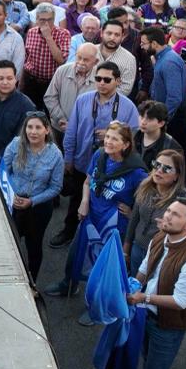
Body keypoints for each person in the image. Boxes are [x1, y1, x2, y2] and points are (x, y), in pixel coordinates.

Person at [45, 122, 147, 298]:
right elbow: (87, 181)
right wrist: (84, 201)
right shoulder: (100, 155)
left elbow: (144, 202)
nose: (108, 141)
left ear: (126, 144)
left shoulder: (137, 172)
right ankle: (68, 284)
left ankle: (95, 303)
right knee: (76, 254)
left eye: (114, 139)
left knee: (103, 265)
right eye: (107, 137)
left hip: (113, 226)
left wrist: (132, 214)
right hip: (91, 217)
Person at [55, 62, 140, 248]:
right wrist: (68, 158)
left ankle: (96, 240)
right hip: (82, 160)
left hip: (112, 167)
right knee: (76, 200)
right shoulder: (83, 100)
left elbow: (132, 138)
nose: (101, 83)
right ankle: (68, 232)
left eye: (107, 80)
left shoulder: (128, 107)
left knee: (102, 204)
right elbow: (71, 131)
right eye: (98, 79)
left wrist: (111, 135)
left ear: (118, 81)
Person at [129, 197, 186, 369]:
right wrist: (134, 285)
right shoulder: (159, 237)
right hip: (144, 314)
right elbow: (144, 269)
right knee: (144, 356)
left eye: (175, 215)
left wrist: (144, 297)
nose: (167, 216)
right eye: (168, 211)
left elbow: (181, 301)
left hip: (167, 327)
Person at [0, 112, 63, 280]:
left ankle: (31, 282)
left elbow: (56, 187)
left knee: (34, 247)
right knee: (8, 244)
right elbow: (3, 172)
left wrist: (32, 201)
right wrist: (11, 195)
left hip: (38, 208)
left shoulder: (55, 154)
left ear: (47, 130)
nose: (33, 132)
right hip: (12, 203)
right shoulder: (15, 145)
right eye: (29, 127)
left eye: (38, 127)